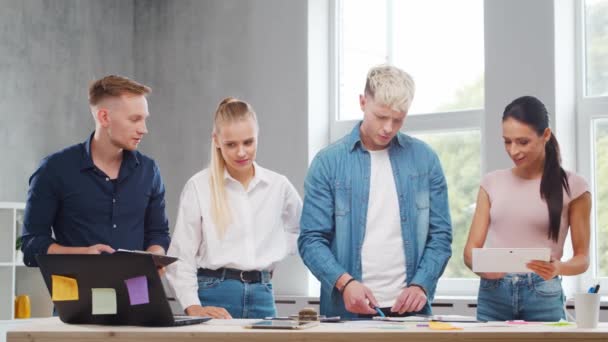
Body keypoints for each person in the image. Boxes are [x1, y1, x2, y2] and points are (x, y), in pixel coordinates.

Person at [298, 64, 453, 319]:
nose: (388, 128)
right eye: (381, 116)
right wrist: (345, 283)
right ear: (362, 102)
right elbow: (311, 240)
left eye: (398, 119)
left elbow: (441, 235)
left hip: (411, 312)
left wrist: (421, 284)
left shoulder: (426, 160)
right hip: (346, 311)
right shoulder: (327, 163)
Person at [166, 97, 302, 319]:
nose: (241, 152)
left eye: (248, 142)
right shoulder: (198, 187)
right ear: (216, 140)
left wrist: (274, 248)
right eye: (231, 144)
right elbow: (181, 255)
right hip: (214, 295)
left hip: (263, 297)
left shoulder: (279, 186)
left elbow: (304, 231)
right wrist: (194, 308)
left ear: (258, 137)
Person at [463, 95, 591, 322]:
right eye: (507, 141)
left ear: (545, 135)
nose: (513, 151)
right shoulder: (491, 183)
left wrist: (558, 268)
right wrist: (483, 269)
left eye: (523, 142)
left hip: (543, 292)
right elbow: (470, 252)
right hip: (494, 293)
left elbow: (582, 259)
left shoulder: (574, 186)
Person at [21, 75, 171, 267]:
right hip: (77, 288)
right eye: (135, 119)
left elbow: (158, 233)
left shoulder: (149, 171)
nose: (144, 129)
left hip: (136, 288)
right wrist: (82, 254)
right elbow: (31, 245)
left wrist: (154, 259)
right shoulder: (53, 170)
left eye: (144, 119)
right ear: (104, 117)